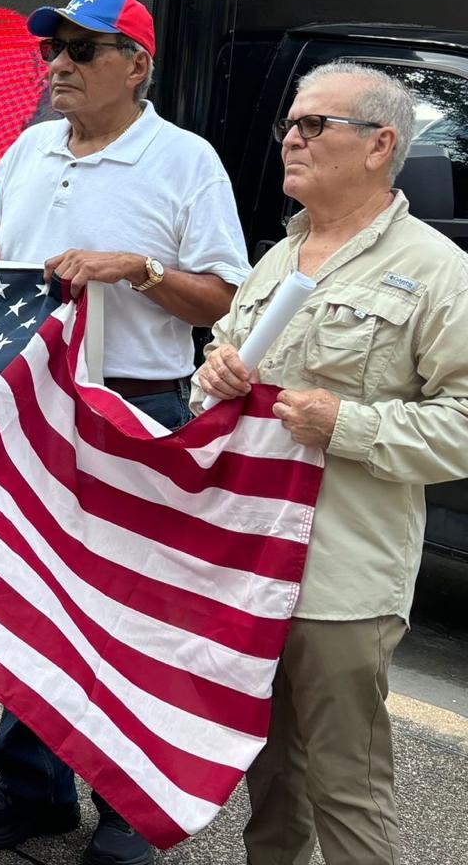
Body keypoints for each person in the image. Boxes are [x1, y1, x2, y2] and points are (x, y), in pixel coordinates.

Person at [0, 0, 249, 865]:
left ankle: (125, 809)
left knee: (126, 609)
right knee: (30, 593)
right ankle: (33, 787)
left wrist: (140, 268)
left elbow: (225, 294)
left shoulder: (185, 161)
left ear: (136, 66)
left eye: (83, 49)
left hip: (134, 400)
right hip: (33, 396)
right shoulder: (31, 147)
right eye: (54, 49)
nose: (60, 65)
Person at [195, 63, 468, 865]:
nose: (291, 137)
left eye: (315, 125)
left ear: (381, 144)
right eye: (291, 123)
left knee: (347, 790)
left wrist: (343, 422)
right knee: (271, 778)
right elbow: (223, 375)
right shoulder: (278, 259)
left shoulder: (438, 272)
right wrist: (214, 376)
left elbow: (462, 424)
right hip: (254, 558)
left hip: (342, 581)